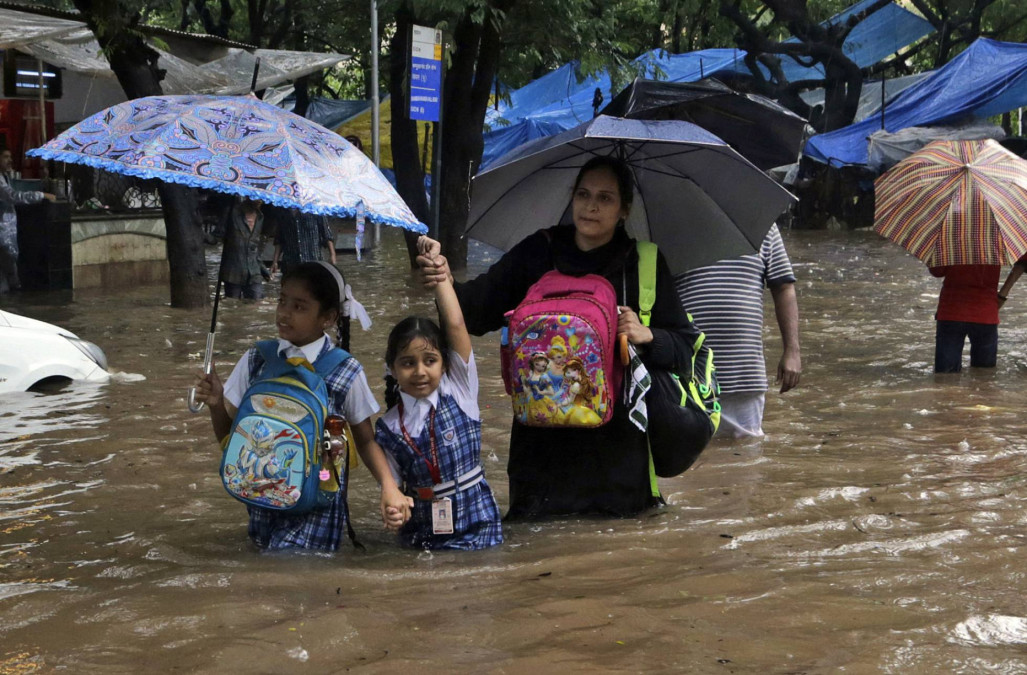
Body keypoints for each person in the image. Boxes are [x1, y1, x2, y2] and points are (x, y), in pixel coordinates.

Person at [417, 155, 700, 520]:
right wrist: (443, 278)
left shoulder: (644, 264)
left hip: (617, 462)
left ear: (624, 209)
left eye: (605, 198)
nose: (591, 206)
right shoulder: (538, 251)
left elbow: (686, 351)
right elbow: (474, 311)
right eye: (583, 194)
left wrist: (649, 335)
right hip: (539, 461)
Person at [193, 262, 410, 551]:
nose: (284, 313)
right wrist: (216, 403)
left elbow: (366, 440)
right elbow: (231, 440)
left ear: (328, 317)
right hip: (262, 500)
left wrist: (389, 487)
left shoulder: (345, 370)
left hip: (318, 505)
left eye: (299, 307)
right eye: (282, 301)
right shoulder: (257, 358)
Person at [374, 236, 503, 550]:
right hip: (423, 532)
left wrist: (440, 273)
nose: (419, 371)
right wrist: (394, 511)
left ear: (446, 364)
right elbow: (392, 489)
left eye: (430, 361)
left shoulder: (459, 388)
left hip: (479, 524)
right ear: (391, 368)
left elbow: (456, 324)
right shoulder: (388, 428)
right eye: (407, 363)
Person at [674, 224, 801, 438]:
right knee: (690, 455)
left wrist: (792, 350)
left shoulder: (760, 223)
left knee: (744, 459)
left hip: (743, 372)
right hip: (686, 370)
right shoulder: (670, 227)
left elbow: (784, 287)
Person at [0, 149, 56, 293]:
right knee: (9, 277)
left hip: (7, 235)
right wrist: (42, 195)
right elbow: (13, 196)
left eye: (10, 156)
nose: (10, 161)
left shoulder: (5, 177)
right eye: (6, 157)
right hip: (3, 238)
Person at [929, 264, 1001, 373]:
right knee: (984, 375)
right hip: (985, 313)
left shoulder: (949, 247)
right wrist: (1004, 293)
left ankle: (944, 391)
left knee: (946, 374)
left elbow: (937, 271)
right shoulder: (996, 247)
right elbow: (1023, 262)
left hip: (951, 311)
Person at [222, 198, 267, 300]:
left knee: (256, 301)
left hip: (254, 271)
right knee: (231, 303)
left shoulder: (260, 217)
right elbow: (217, 235)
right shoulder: (231, 213)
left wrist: (263, 269)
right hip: (233, 271)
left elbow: (255, 247)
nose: (260, 200)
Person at [270, 208, 336, 276]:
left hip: (313, 261)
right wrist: (275, 261)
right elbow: (279, 239)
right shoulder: (283, 211)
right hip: (290, 263)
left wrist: (332, 255)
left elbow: (327, 235)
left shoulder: (316, 210)